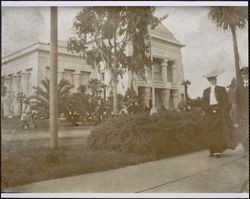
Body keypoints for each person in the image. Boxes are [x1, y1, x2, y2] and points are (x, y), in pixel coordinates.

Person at [201, 67, 237, 158]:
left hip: (219, 112)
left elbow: (225, 101)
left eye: (214, 79)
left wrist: (221, 110)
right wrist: (209, 109)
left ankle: (218, 151)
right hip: (209, 112)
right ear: (209, 80)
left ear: (216, 80)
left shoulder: (221, 89)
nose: (213, 81)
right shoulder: (206, 91)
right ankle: (212, 150)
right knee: (209, 130)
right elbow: (204, 103)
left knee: (218, 131)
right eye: (211, 79)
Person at [235, 66, 249, 158]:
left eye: (246, 73)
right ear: (241, 75)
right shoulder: (239, 87)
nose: (245, 75)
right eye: (243, 74)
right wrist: (238, 112)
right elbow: (237, 101)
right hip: (243, 113)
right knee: (242, 131)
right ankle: (246, 150)